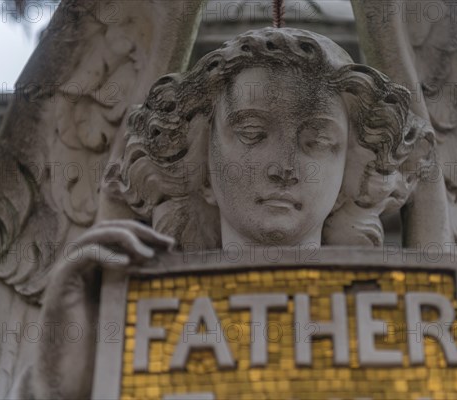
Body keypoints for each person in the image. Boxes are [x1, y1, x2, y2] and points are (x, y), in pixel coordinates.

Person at [24, 27, 432, 398]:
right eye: (252, 134)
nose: (284, 167)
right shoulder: (145, 334)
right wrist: (65, 375)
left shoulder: (398, 333)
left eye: (317, 140)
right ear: (201, 165)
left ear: (349, 176)